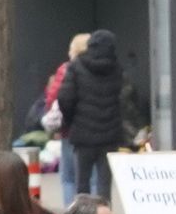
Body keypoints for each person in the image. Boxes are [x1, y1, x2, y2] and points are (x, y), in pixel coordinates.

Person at [45, 28, 134, 201]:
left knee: (82, 183)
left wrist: (71, 120)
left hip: (83, 135)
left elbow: (65, 97)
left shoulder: (76, 66)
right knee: (103, 184)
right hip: (110, 135)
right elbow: (125, 98)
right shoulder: (116, 69)